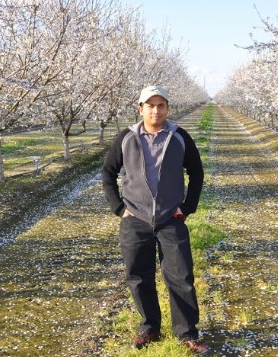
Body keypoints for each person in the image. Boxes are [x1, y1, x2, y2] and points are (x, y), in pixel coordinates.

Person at [102, 85, 207, 354]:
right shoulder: (126, 137)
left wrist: (187, 207)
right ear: (140, 109)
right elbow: (108, 173)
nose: (156, 110)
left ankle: (186, 333)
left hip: (171, 218)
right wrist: (119, 209)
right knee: (138, 276)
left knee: (181, 276)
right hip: (135, 217)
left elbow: (196, 172)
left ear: (167, 109)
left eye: (161, 105)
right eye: (150, 105)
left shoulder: (179, 137)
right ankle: (149, 327)